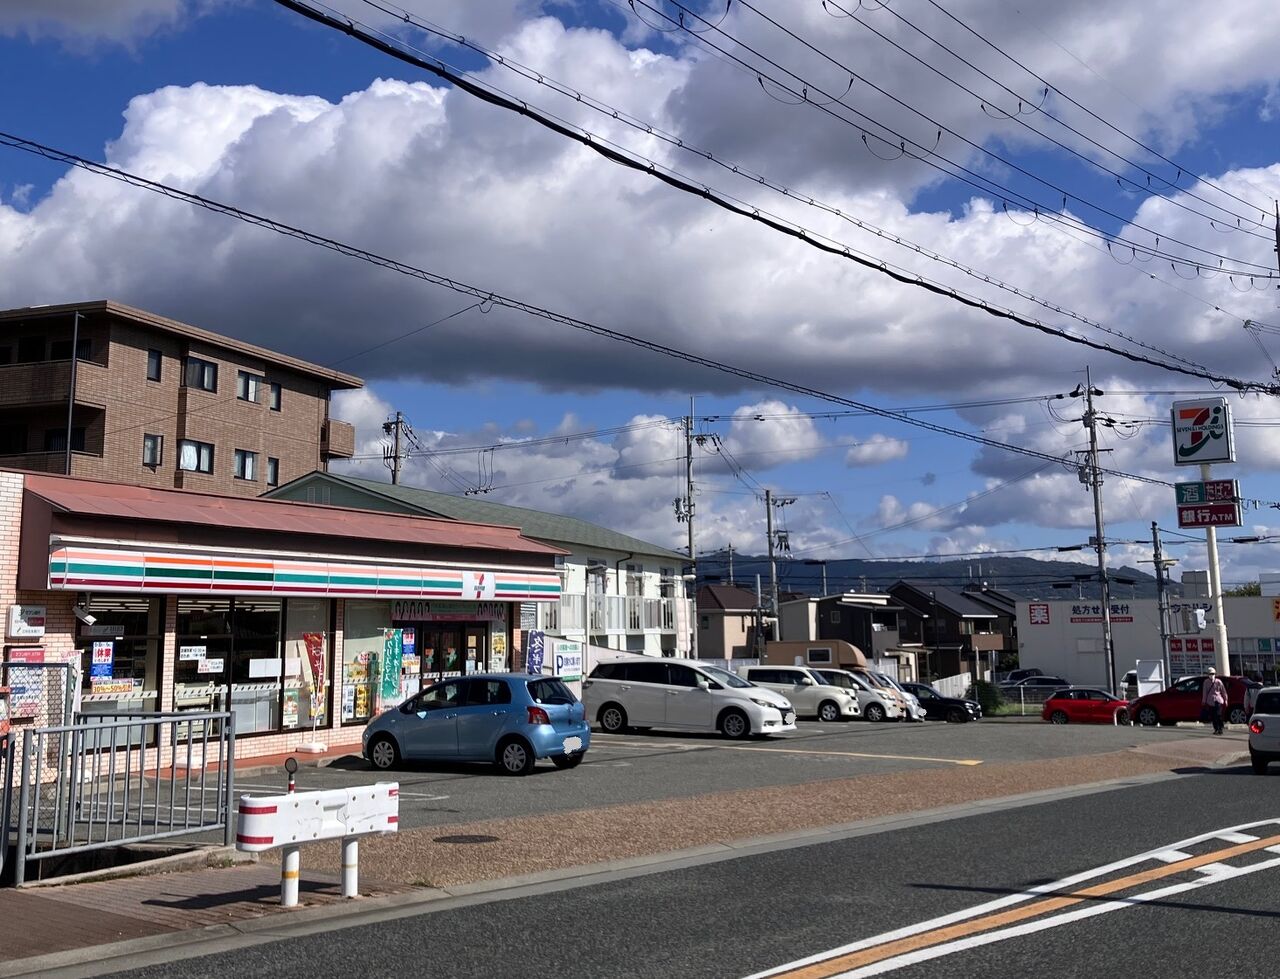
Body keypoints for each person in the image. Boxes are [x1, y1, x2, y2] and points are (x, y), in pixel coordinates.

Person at [1202, 667, 1228, 736]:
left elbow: (1223, 691)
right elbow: (1205, 692)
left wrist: (1225, 700)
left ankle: (1220, 728)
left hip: (1218, 700)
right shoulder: (1206, 682)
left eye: (1213, 674)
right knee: (1213, 716)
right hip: (1210, 701)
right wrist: (1204, 701)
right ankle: (1216, 729)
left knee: (1218, 715)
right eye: (1210, 674)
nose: (1211, 675)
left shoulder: (1218, 681)